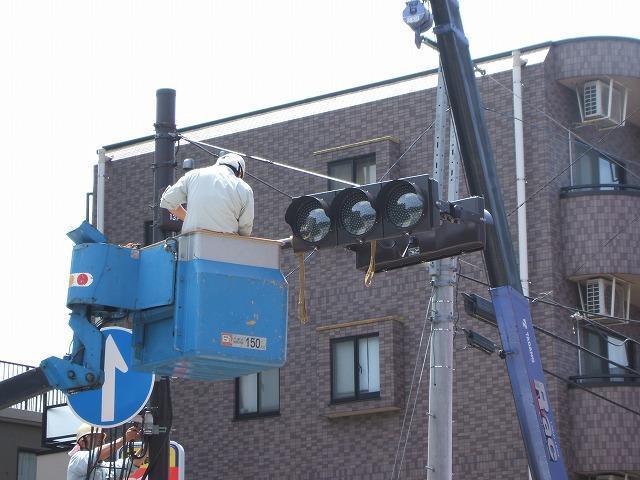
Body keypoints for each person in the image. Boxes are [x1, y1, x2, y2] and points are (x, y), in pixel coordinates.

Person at [160, 152, 254, 236]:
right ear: (239, 171)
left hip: (193, 242)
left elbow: (167, 201)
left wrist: (190, 219)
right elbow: (245, 229)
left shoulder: (193, 175)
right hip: (226, 244)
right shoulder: (244, 188)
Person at [67, 423, 145, 480]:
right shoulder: (77, 458)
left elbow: (131, 464)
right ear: (82, 442)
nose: (100, 440)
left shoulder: (103, 467)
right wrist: (125, 438)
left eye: (101, 438)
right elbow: (97, 454)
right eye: (95, 437)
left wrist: (148, 444)